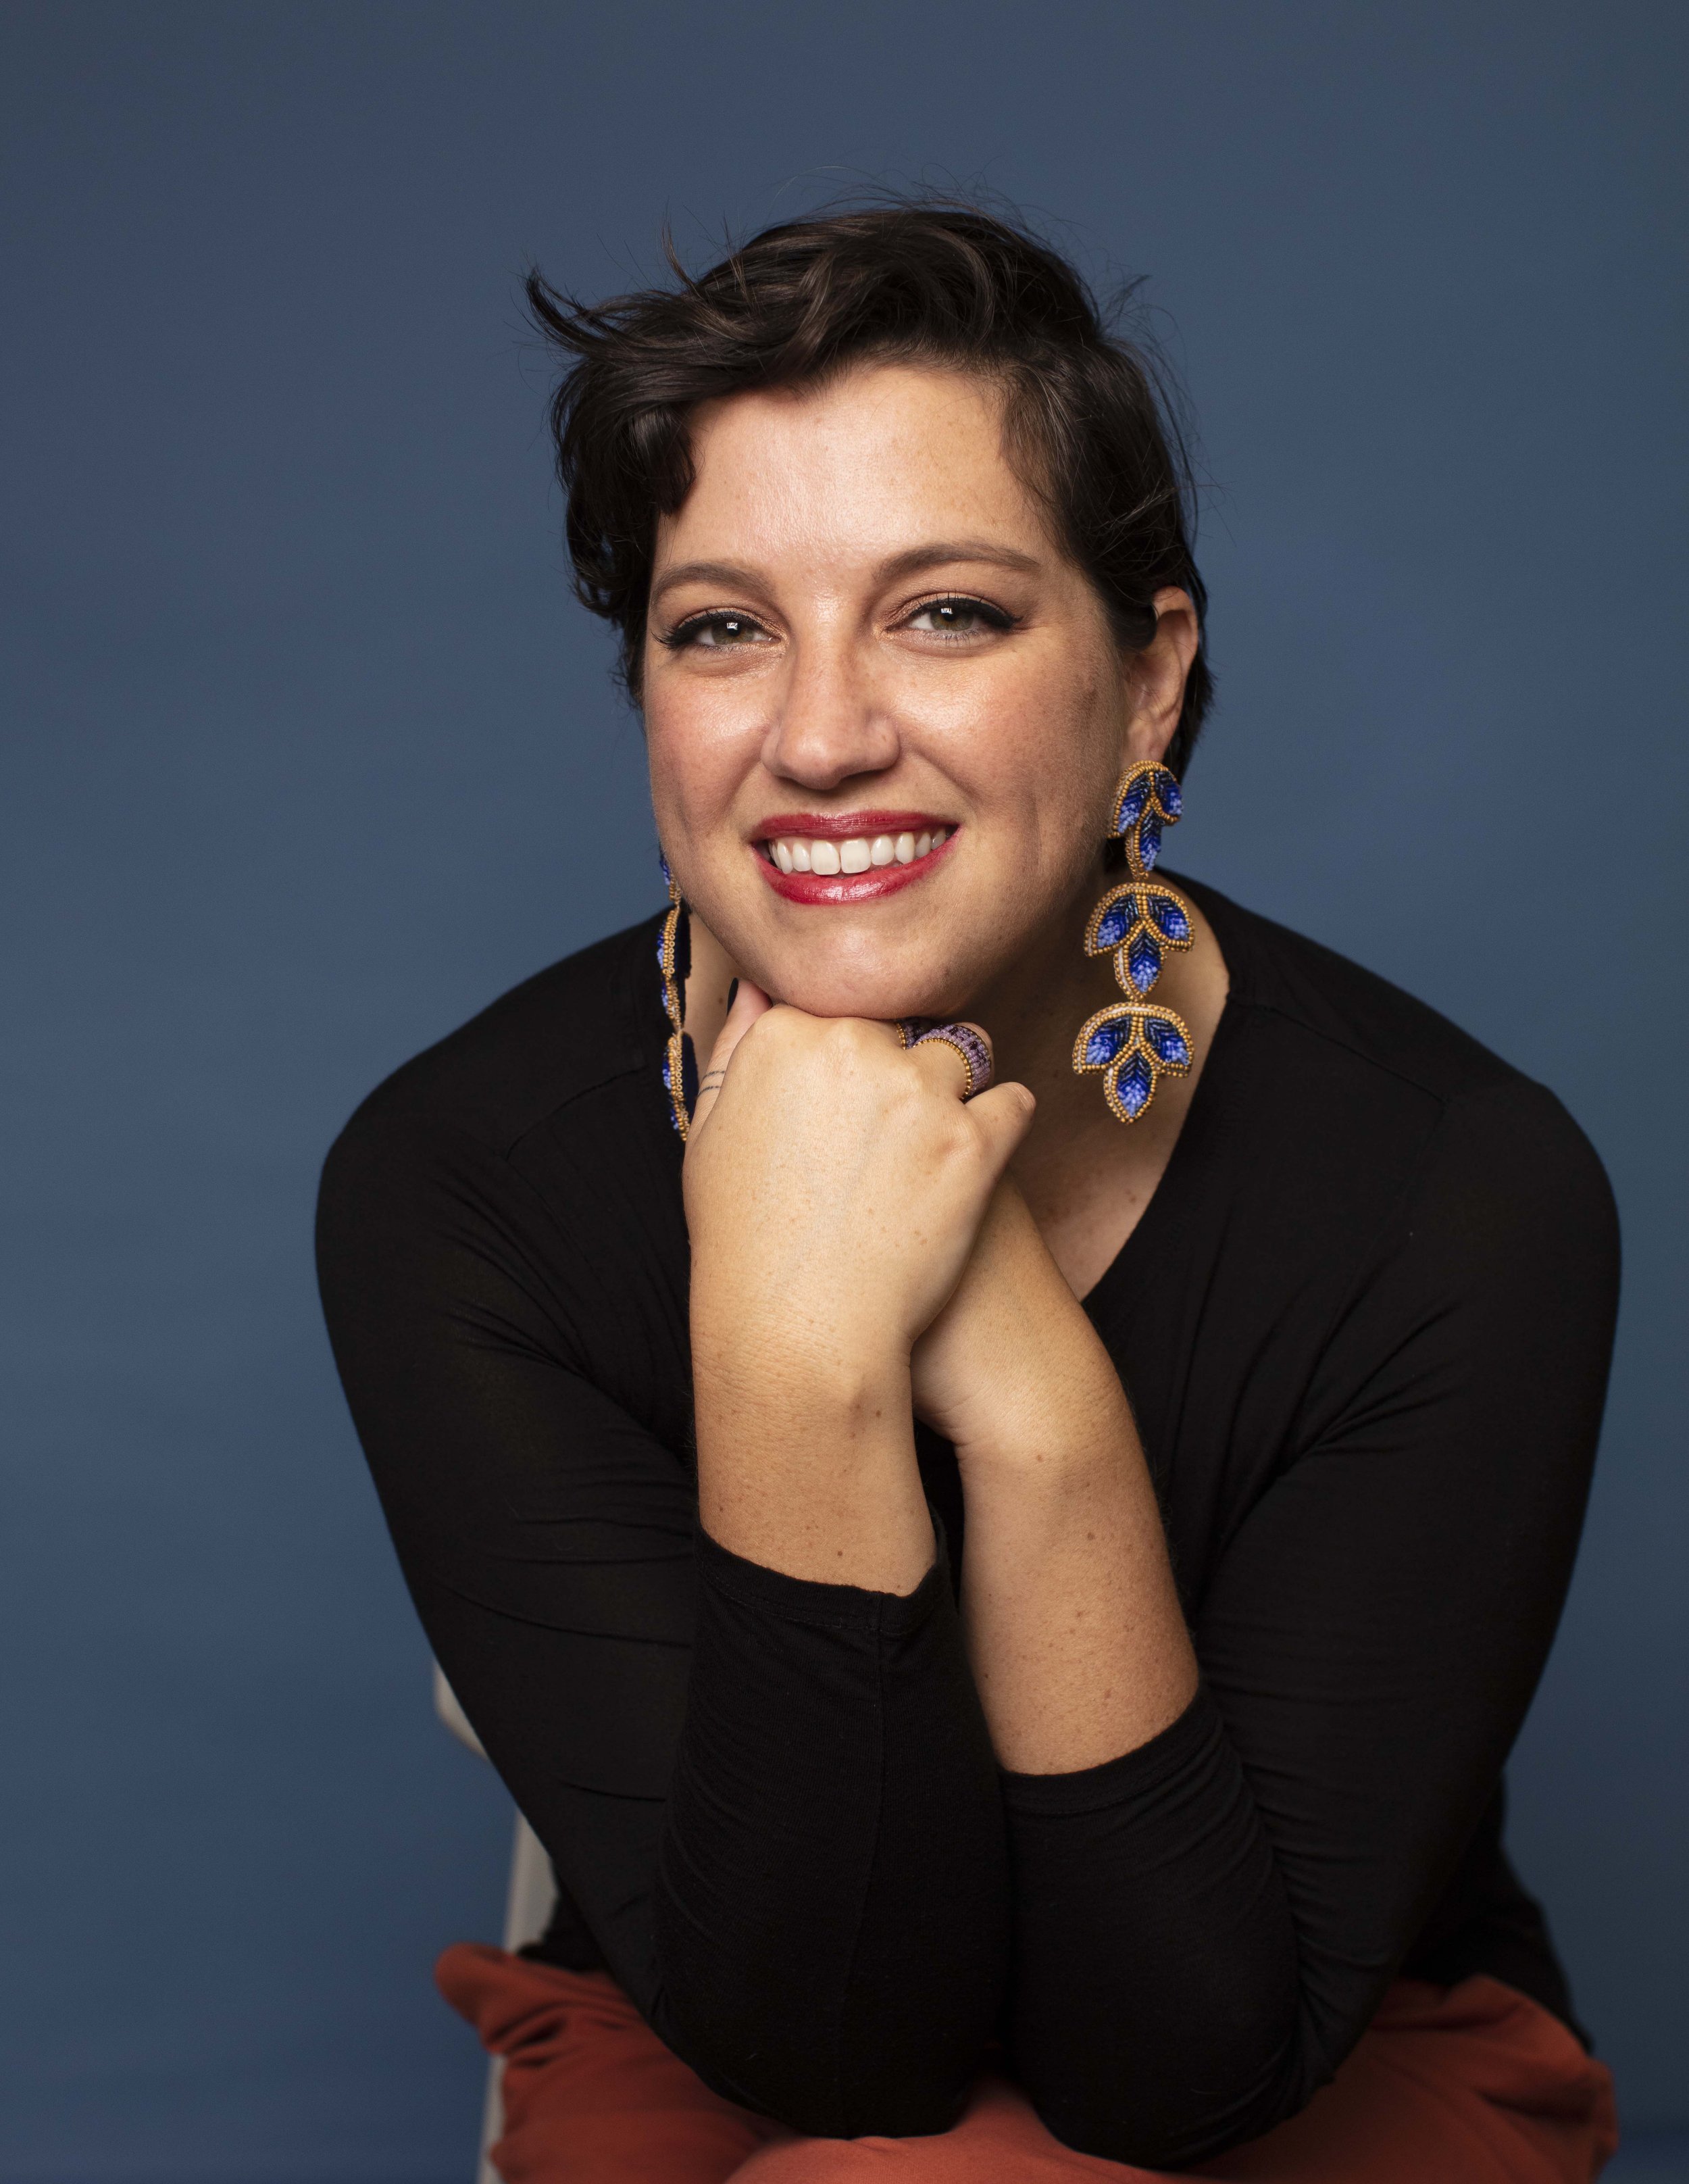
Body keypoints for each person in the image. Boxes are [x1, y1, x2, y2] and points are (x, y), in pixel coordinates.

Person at [316, 203, 1620, 2181]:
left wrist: (1028, 1396)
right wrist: (789, 1358)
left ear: (1147, 680)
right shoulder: (459, 1185)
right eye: (722, 626)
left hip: (1311, 2015)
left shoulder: (1455, 1192)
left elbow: (1183, 2066)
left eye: (946, 612)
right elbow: (826, 2051)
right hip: (715, 2014)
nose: (822, 738)